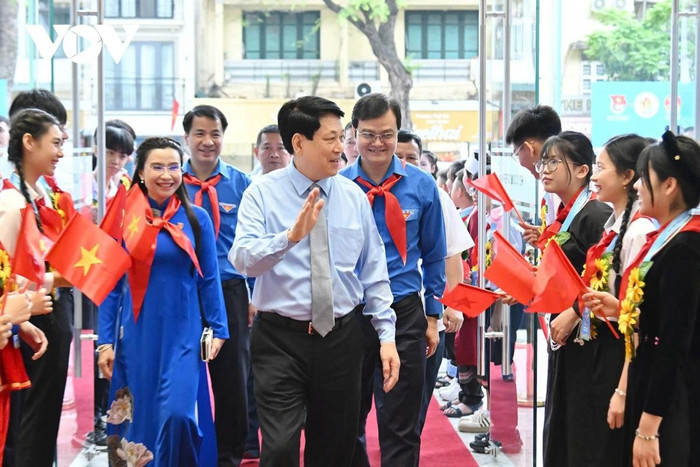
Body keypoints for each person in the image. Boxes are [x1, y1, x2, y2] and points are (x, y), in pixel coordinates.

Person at [230, 96, 400, 467]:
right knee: (279, 447)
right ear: (299, 142)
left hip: (341, 339)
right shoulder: (261, 193)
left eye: (342, 137)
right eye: (330, 139)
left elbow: (374, 271)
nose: (341, 147)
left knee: (335, 448)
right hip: (279, 340)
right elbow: (243, 260)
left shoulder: (353, 197)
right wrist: (289, 237)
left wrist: (386, 336)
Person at [97, 137, 228, 466]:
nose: (167, 175)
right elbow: (109, 284)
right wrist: (105, 342)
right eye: (157, 167)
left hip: (183, 335)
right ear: (140, 172)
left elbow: (209, 279)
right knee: (139, 420)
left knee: (178, 416)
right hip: (137, 336)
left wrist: (219, 328)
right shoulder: (123, 218)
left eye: (173, 167)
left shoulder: (196, 218)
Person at [341, 94, 446, 466]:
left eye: (387, 134)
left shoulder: (422, 185)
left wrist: (432, 315)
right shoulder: (337, 186)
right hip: (350, 315)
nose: (378, 143)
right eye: (368, 134)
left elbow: (434, 255)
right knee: (346, 419)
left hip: (403, 312)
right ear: (354, 134)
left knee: (401, 422)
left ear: (397, 132)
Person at [568, 134, 656, 464]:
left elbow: (638, 318)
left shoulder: (638, 232)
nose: (594, 176)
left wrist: (622, 389)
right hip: (603, 346)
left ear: (627, 177)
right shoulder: (614, 227)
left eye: (601, 168)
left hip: (619, 351)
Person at [621, 133, 700, 466]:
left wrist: (649, 428)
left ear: (669, 185)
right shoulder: (669, 239)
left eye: (644, 178)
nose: (637, 186)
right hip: (656, 381)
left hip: (674, 398)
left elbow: (674, 342)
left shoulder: (685, 249)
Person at [181, 104, 254, 467]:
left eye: (215, 134)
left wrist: (254, 294)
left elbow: (256, 242)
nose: (207, 141)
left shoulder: (242, 184)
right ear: (186, 138)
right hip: (182, 292)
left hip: (229, 291)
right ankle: (186, 450)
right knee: (182, 374)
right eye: (200, 134)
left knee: (231, 380)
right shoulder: (169, 182)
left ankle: (229, 456)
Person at [537, 132, 614, 466]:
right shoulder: (565, 214)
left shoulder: (595, 215)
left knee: (580, 428)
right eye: (544, 162)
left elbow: (607, 278)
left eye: (554, 162)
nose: (545, 169)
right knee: (562, 422)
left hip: (589, 339)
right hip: (567, 337)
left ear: (583, 170)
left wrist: (573, 312)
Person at [1, 105, 71, 467]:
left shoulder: (41, 197)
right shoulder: (12, 203)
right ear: (29, 142)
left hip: (37, 317)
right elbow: (7, 275)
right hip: (21, 320)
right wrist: (57, 278)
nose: (61, 152)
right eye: (55, 143)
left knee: (42, 418)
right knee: (29, 420)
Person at [396, 129, 471, 433]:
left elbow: (452, 253)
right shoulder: (360, 191)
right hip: (370, 316)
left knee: (414, 405)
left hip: (425, 315)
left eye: (411, 157)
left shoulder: (436, 196)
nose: (404, 163)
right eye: (397, 156)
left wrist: (453, 305)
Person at [505, 105, 562, 242]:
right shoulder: (555, 182)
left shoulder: (558, 185)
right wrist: (545, 239)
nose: (519, 161)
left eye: (516, 153)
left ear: (528, 148)